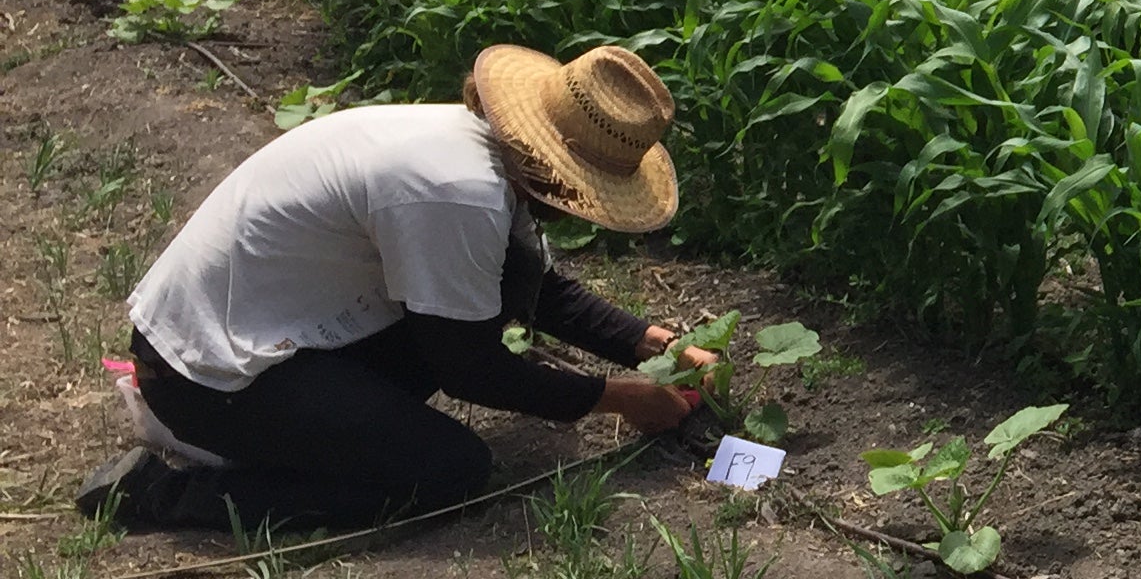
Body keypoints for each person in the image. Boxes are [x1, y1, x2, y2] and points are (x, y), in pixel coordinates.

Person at [78, 43, 709, 533]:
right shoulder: (455, 192)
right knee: (447, 470)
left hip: (244, 331)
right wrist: (621, 397)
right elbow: (471, 371)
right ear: (563, 170)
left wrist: (650, 343)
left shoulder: (473, 150)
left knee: (494, 295)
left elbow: (530, 286)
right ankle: (167, 493)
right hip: (204, 376)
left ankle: (296, 439)